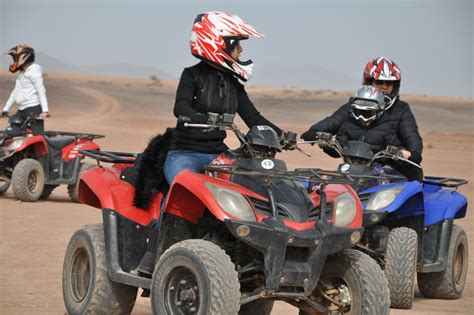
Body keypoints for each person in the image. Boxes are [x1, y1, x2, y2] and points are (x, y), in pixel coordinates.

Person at [163, 11, 296, 185]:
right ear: (217, 44)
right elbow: (180, 107)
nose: (241, 49)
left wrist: (282, 135)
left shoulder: (233, 84)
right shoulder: (191, 75)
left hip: (220, 155)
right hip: (185, 152)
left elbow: (254, 118)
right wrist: (203, 118)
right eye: (236, 44)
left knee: (254, 185)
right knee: (184, 186)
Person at [301, 57, 423, 181]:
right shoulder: (354, 106)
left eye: (389, 83)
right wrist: (315, 132)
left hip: (391, 170)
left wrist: (412, 154)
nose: (385, 87)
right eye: (380, 82)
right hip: (357, 170)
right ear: (369, 83)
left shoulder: (401, 109)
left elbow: (412, 136)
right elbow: (332, 121)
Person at [2, 44, 50, 137]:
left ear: (24, 57)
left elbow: (41, 90)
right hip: (22, 109)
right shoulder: (23, 73)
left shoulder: (34, 71)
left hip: (34, 109)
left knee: (38, 138)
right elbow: (15, 92)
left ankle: (46, 152)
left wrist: (45, 110)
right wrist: (5, 109)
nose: (14, 61)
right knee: (12, 133)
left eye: (15, 58)